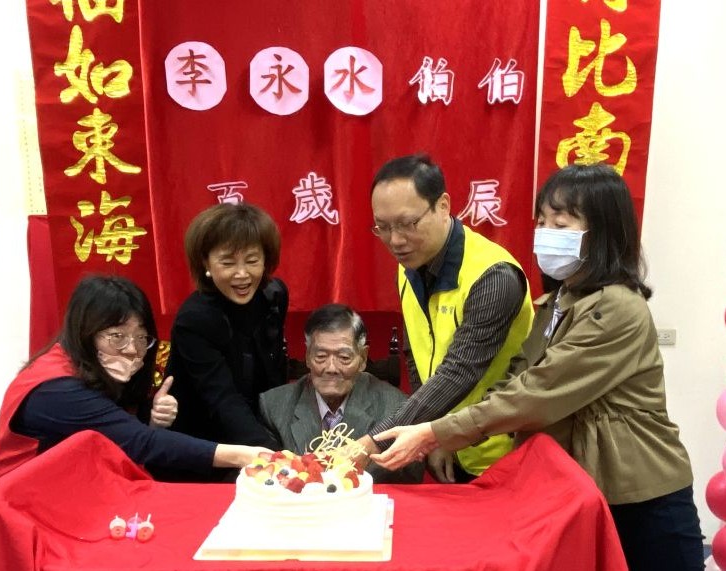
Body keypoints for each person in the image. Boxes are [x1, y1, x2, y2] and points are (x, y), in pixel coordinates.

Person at [370, 163, 704, 571]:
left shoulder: (617, 308)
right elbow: (514, 380)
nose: (544, 233)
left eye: (560, 224)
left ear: (601, 232)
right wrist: (445, 437)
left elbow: (536, 395)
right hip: (577, 490)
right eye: (542, 221)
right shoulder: (554, 304)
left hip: (640, 495)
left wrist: (434, 432)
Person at [0, 275, 269, 491]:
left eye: (141, 337)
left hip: (71, 493)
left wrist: (152, 419)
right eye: (117, 336)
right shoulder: (56, 389)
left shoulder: (93, 370)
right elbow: (140, 442)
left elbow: (120, 436)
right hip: (18, 508)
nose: (132, 349)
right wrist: (242, 455)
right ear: (85, 333)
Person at [358, 154, 533, 482]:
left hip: (505, 453)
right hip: (452, 445)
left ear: (443, 206)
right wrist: (434, 436)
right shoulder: (408, 267)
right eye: (383, 227)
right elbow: (416, 354)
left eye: (408, 224)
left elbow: (460, 370)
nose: (395, 240)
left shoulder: (493, 276)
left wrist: (372, 443)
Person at [165, 202, 287, 481]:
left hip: (258, 432)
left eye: (252, 261)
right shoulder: (195, 319)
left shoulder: (274, 295)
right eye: (228, 263)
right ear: (205, 263)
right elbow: (222, 399)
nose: (242, 274)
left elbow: (274, 369)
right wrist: (276, 458)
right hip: (204, 448)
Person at [259, 304, 423, 484]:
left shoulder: (396, 407)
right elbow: (266, 477)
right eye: (321, 356)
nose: (331, 368)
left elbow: (410, 478)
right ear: (307, 356)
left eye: (344, 358)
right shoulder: (273, 407)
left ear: (363, 358)